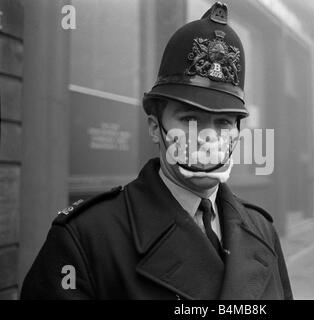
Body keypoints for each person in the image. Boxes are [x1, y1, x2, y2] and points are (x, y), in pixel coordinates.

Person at [21, 2, 293, 300]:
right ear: (155, 127)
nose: (207, 137)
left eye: (224, 122)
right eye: (190, 118)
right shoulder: (84, 240)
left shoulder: (262, 231)